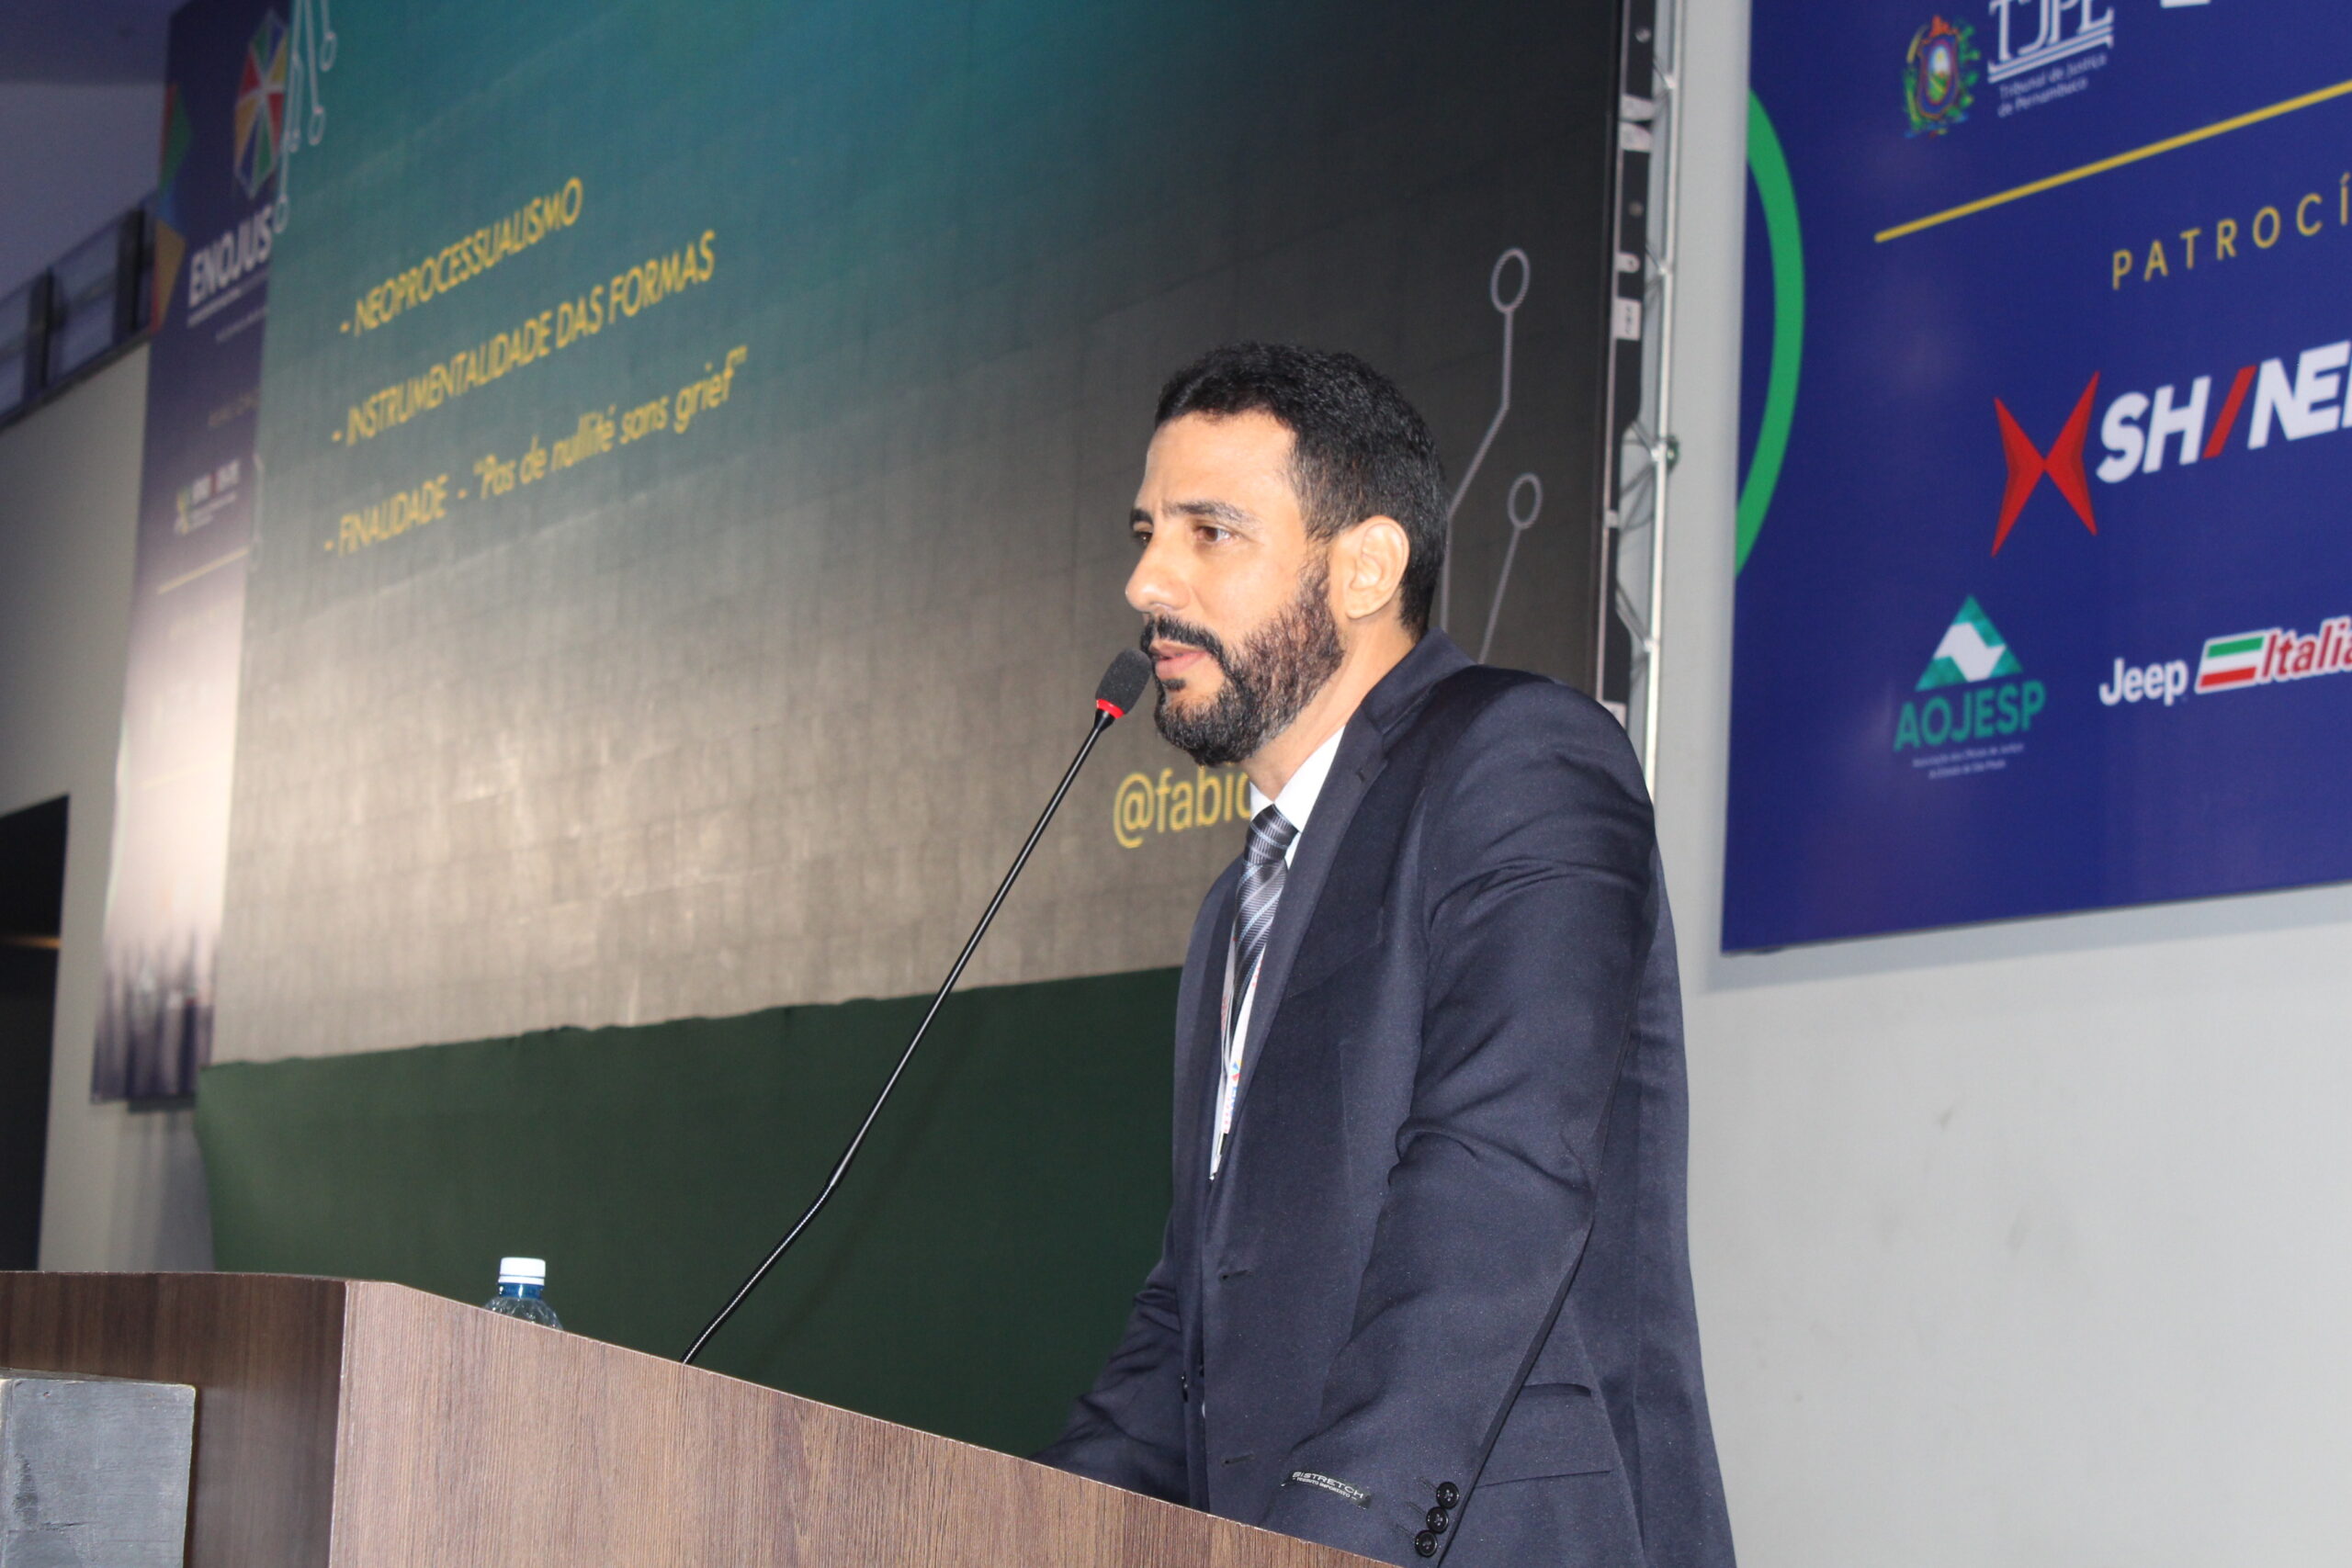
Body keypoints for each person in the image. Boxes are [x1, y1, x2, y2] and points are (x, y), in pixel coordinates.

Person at [1035, 344, 1735, 1568]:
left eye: (1209, 532)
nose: (1147, 580)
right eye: (1147, 532)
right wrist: (1026, 1525)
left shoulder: (1520, 760)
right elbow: (1192, 1307)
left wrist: (1321, 1541)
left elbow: (1497, 1189)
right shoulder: (1236, 907)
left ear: (1365, 568)